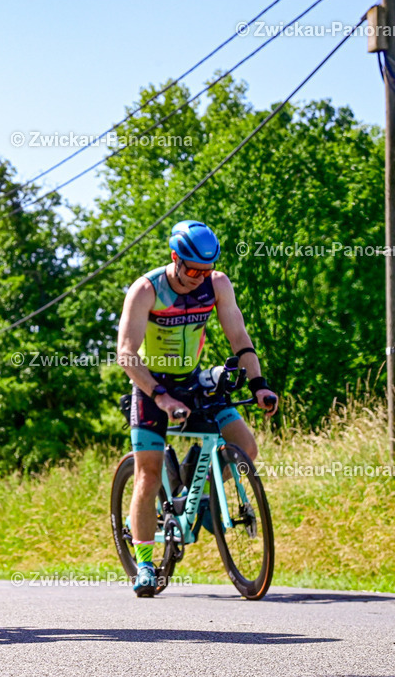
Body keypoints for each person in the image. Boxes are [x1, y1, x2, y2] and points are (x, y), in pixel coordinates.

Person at [116, 220, 279, 597]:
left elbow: (239, 337)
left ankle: (201, 494)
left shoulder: (217, 284)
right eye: (192, 270)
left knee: (246, 447)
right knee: (148, 474)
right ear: (175, 258)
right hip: (150, 385)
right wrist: (161, 397)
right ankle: (144, 564)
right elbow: (126, 354)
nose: (199, 278)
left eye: (206, 270)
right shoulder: (146, 290)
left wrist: (259, 385)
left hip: (193, 380)